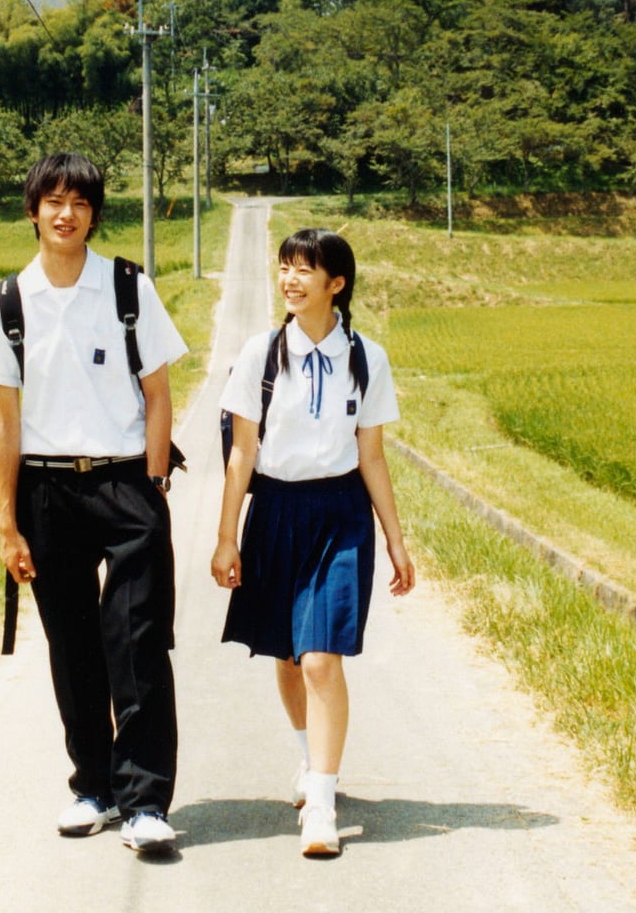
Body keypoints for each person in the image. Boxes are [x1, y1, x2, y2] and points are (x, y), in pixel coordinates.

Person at [0, 153, 187, 855]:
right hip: (47, 491)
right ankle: (94, 787)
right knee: (74, 648)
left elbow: (158, 392)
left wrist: (152, 483)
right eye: (53, 201)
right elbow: (5, 419)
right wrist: (7, 521)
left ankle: (146, 800)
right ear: (32, 211)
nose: (66, 213)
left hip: (125, 484)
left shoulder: (127, 287)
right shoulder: (7, 303)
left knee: (139, 642)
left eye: (79, 202)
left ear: (94, 212)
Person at [210, 227, 415, 858]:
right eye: (285, 267)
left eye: (305, 270)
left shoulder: (367, 358)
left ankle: (321, 803)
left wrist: (396, 540)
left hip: (340, 512)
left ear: (337, 283)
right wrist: (226, 537)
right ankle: (308, 758)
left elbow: (373, 457)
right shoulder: (259, 355)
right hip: (275, 509)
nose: (291, 280)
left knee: (323, 656)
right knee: (289, 654)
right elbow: (243, 451)